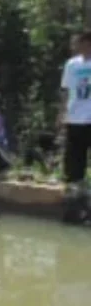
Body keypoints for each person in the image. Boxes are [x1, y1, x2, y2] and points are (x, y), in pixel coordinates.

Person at [59, 31, 91, 197]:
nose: (75, 46)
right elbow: (65, 90)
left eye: (78, 42)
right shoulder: (72, 64)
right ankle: (75, 190)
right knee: (74, 156)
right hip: (75, 117)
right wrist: (61, 114)